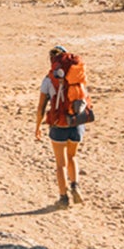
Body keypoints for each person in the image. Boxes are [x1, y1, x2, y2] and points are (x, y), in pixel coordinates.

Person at [32, 46, 85, 206]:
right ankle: (75, 186)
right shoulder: (76, 78)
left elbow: (41, 107)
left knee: (60, 163)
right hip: (76, 123)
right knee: (72, 157)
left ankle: (63, 198)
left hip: (58, 124)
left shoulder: (48, 80)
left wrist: (38, 126)